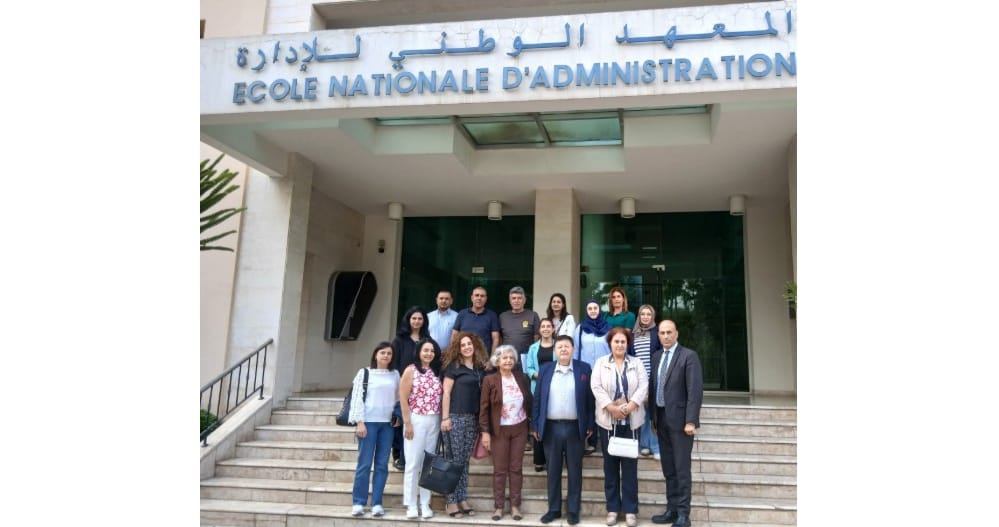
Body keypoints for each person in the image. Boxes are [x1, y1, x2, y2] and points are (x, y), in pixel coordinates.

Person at [531, 335, 594, 526]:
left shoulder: (584, 369)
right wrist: (535, 425)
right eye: (560, 347)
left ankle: (573, 510)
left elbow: (590, 400)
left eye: (567, 346)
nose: (564, 349)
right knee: (553, 470)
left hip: (575, 428)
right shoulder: (545, 369)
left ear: (573, 349)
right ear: (554, 351)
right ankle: (554, 509)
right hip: (551, 428)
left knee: (575, 471)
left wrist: (590, 424)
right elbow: (537, 399)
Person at [648, 320, 703, 527]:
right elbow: (653, 388)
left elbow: (694, 392)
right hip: (661, 419)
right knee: (669, 469)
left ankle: (683, 514)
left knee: (681, 469)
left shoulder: (689, 356)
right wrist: (653, 418)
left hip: (681, 423)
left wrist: (691, 420)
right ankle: (671, 510)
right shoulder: (656, 357)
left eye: (669, 332)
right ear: (658, 335)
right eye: (662, 332)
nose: (666, 336)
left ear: (676, 334)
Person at [591, 327, 648, 527]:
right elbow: (596, 387)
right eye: (616, 341)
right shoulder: (601, 363)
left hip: (631, 423)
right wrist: (611, 407)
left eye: (623, 341)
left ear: (627, 343)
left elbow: (643, 386)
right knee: (611, 468)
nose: (620, 345)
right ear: (610, 343)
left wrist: (630, 406)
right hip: (608, 423)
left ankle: (630, 510)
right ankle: (613, 509)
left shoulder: (636, 363)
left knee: (630, 468)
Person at [479, 345, 533, 521]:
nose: (508, 360)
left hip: (519, 429)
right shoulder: (489, 380)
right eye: (504, 358)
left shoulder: (521, 377)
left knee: (516, 468)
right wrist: (485, 432)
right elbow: (484, 408)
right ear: (497, 361)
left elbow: (529, 402)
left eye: (511, 358)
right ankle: (499, 507)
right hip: (499, 430)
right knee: (500, 470)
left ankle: (516, 506)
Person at [347, 342, 400, 517]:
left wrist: (398, 416)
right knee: (364, 464)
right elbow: (357, 398)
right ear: (376, 354)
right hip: (368, 423)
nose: (386, 356)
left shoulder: (395, 374)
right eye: (382, 352)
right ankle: (358, 502)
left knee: (382, 465)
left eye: (389, 353)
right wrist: (359, 422)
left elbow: (398, 398)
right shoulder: (364, 372)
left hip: (387, 425)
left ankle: (377, 503)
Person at [440, 331, 490, 518]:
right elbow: (446, 393)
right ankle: (451, 500)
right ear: (458, 349)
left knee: (464, 461)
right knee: (454, 460)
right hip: (455, 418)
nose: (467, 347)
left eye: (469, 344)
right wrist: (445, 418)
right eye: (463, 345)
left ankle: (462, 497)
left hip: (472, 419)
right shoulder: (454, 367)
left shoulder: (479, 368)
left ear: (475, 346)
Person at [399, 338, 442, 520]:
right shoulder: (411, 370)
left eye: (432, 351)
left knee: (428, 464)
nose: (429, 354)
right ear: (418, 352)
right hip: (416, 419)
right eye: (425, 350)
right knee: (413, 463)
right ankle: (411, 504)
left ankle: (425, 503)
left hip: (434, 420)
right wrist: (407, 423)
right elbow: (403, 397)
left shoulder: (437, 371)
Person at [391, 306, 432, 471]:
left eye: (420, 318)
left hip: (421, 391)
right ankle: (400, 457)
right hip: (403, 386)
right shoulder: (399, 339)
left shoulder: (427, 339)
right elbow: (394, 364)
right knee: (401, 421)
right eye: (414, 318)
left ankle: (415, 458)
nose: (416, 321)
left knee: (415, 424)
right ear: (408, 320)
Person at [574, 299, 611, 454]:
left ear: (599, 310)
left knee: (604, 404)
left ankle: (608, 440)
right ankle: (591, 441)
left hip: (605, 371)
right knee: (588, 405)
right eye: (590, 308)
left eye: (595, 308)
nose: (593, 311)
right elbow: (576, 350)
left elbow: (612, 349)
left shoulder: (608, 328)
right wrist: (576, 369)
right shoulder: (580, 329)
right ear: (586, 311)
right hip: (586, 372)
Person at [524, 318, 557, 472]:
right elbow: (529, 368)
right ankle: (539, 460)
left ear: (553, 329)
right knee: (538, 423)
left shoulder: (558, 345)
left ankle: (552, 460)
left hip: (556, 387)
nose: (545, 329)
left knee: (552, 424)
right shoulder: (533, 348)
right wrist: (537, 374)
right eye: (543, 326)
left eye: (548, 326)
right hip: (537, 388)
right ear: (539, 330)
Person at [632, 304, 660, 459]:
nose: (645, 317)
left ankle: (655, 446)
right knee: (642, 412)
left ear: (652, 316)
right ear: (639, 316)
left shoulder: (657, 333)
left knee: (653, 413)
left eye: (648, 314)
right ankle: (644, 445)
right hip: (637, 379)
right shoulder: (633, 334)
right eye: (643, 314)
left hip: (653, 378)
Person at [452, 286, 501, 354]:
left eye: (482, 296)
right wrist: (453, 354)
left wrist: (492, 358)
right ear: (472, 298)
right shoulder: (462, 313)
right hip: (463, 356)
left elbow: (496, 339)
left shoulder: (492, 315)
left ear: (486, 299)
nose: (479, 298)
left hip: (484, 357)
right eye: (477, 295)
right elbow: (454, 336)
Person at [499, 286, 541, 363]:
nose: (516, 301)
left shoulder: (533, 315)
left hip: (527, 359)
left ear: (524, 300)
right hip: (507, 359)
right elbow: (499, 339)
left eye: (519, 298)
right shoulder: (503, 316)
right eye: (514, 298)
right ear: (510, 300)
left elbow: (537, 339)